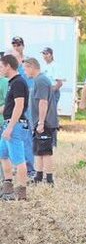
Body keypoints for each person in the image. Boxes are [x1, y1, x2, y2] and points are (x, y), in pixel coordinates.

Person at [0, 54, 31, 202]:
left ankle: (21, 192)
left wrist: (10, 127)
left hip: (15, 125)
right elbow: (10, 105)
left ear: (8, 66)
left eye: (1, 66)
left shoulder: (18, 82)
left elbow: (19, 106)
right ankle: (7, 187)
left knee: (18, 160)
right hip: (9, 123)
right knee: (3, 155)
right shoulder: (12, 82)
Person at [23, 56, 56, 185]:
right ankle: (38, 175)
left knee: (46, 151)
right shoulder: (39, 80)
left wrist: (41, 122)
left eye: (25, 68)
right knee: (38, 150)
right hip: (39, 122)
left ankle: (48, 179)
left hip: (45, 122)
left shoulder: (41, 81)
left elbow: (43, 102)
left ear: (31, 67)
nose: (24, 71)